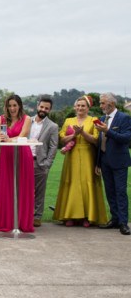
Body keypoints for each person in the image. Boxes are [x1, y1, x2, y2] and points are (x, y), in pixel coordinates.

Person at [52, 95, 107, 227]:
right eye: (78, 105)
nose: (80, 108)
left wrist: (82, 133)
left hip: (88, 155)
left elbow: (95, 140)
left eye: (83, 105)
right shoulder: (68, 120)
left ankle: (87, 216)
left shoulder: (94, 120)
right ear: (75, 107)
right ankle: (70, 216)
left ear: (88, 108)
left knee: (86, 183)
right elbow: (62, 139)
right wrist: (74, 135)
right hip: (72, 156)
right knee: (71, 183)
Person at [0, 94, 35, 232]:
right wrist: (1, 137)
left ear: (19, 106)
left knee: (22, 187)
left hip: (22, 154)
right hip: (7, 155)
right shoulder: (0, 119)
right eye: (9, 105)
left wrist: (8, 139)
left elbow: (23, 136)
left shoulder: (27, 119)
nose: (12, 108)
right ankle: (7, 221)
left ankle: (22, 222)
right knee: (6, 186)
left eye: (14, 105)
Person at [95, 93, 131, 235]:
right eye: (100, 103)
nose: (101, 106)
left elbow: (126, 138)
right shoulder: (102, 119)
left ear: (111, 104)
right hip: (105, 161)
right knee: (110, 192)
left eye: (103, 103)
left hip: (119, 161)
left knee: (120, 192)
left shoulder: (124, 118)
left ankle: (123, 223)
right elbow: (100, 143)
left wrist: (107, 131)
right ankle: (115, 219)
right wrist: (98, 163)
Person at [29, 96, 59, 227]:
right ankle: (23, 214)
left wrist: (47, 164)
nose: (43, 110)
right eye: (41, 107)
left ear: (50, 110)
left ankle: (37, 216)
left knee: (39, 191)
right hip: (24, 160)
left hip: (40, 162)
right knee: (24, 190)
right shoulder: (26, 121)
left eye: (46, 108)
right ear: (37, 106)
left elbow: (54, 147)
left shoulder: (53, 126)